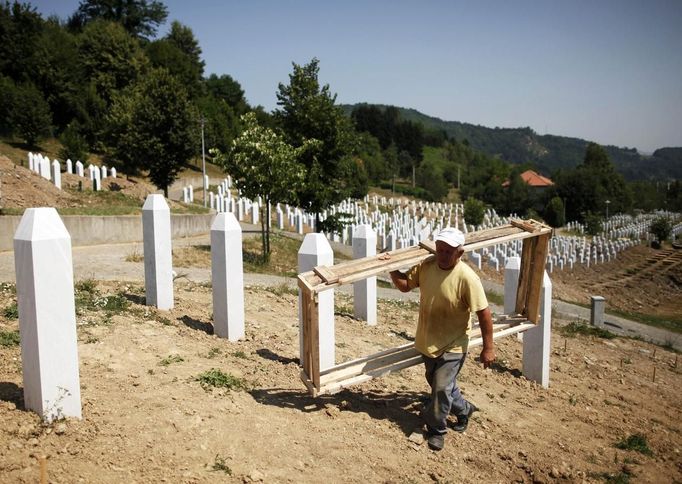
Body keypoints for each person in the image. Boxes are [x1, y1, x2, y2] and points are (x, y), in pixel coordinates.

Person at [389, 227, 495, 451]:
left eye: (448, 251)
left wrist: (488, 348)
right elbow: (406, 286)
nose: (443, 255)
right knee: (440, 385)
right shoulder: (427, 266)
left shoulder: (467, 278)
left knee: (440, 388)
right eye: (440, 250)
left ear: (460, 252)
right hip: (428, 340)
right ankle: (464, 409)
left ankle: (437, 431)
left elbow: (484, 314)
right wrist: (391, 268)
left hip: (454, 343)